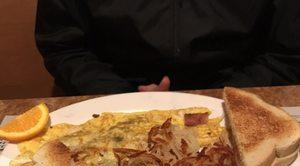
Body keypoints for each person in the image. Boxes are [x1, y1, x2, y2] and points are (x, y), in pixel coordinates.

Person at [35, 0, 300, 95]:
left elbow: (288, 54)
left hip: (234, 93)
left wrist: (220, 97)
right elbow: (64, 46)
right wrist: (119, 94)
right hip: (113, 94)